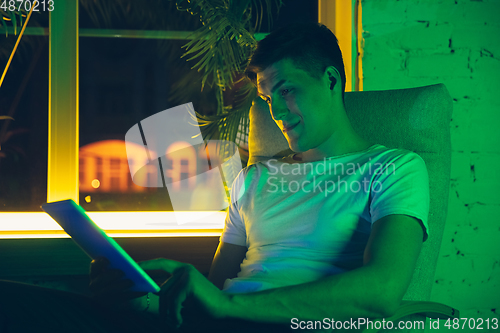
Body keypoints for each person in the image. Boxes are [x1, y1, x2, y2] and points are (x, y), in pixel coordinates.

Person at [0, 22, 429, 333]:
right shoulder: (254, 178)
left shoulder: (393, 169)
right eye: (266, 98)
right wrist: (157, 294)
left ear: (331, 80)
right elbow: (216, 287)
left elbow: (382, 290)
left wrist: (227, 306)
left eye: (287, 90)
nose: (276, 113)